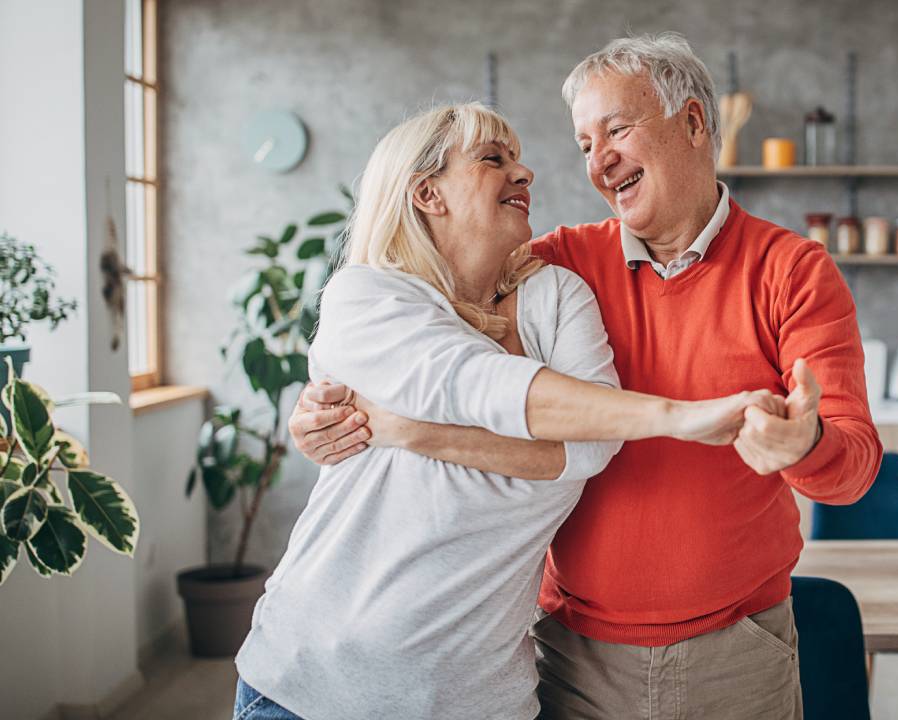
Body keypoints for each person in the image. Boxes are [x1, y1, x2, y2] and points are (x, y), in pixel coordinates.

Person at [290, 33, 883, 719]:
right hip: (571, 654)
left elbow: (855, 469)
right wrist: (325, 408)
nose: (598, 163)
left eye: (616, 131)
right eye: (582, 144)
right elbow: (432, 339)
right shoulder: (553, 267)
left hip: (739, 651)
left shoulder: (794, 271)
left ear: (692, 123)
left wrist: (804, 447)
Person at [233, 102, 783, 720]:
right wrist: (678, 417)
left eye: (519, 160)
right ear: (427, 194)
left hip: (482, 698)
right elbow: (473, 383)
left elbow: (591, 448)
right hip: (318, 684)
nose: (524, 173)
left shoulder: (557, 295)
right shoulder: (366, 296)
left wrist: (411, 432)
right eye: (493, 159)